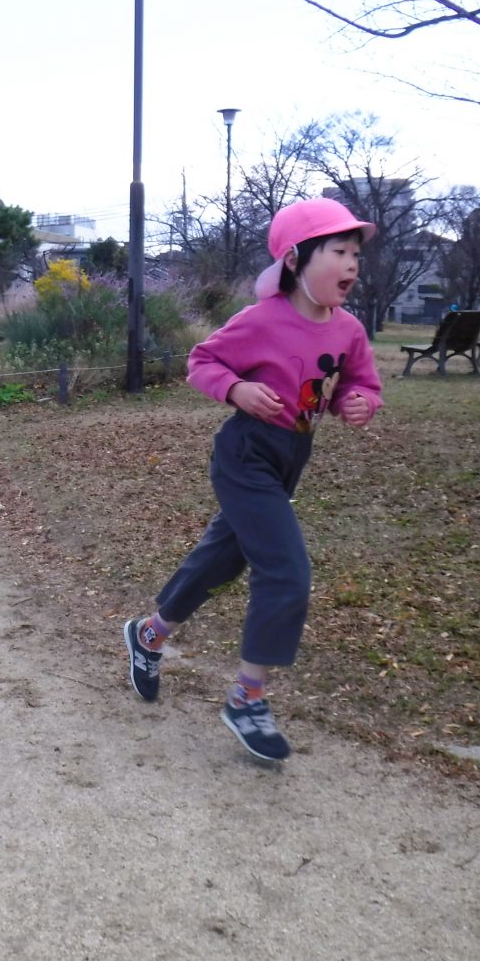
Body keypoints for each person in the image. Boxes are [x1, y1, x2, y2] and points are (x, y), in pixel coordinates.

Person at [123, 197, 384, 761]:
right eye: (339, 251)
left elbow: (362, 383)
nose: (351, 264)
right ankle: (247, 698)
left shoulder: (349, 330)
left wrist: (361, 402)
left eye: (355, 254)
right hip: (246, 453)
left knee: (224, 559)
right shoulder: (262, 320)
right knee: (286, 570)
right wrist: (237, 389)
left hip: (292, 456)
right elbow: (202, 362)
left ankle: (149, 634)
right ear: (295, 260)